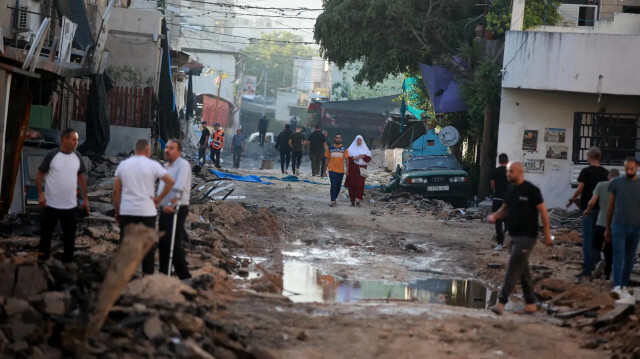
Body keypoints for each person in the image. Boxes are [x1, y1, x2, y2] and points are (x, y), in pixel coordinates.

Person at [487, 162, 552, 315]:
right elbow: (504, 209)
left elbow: (543, 212)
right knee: (523, 269)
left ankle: (501, 303)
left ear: (520, 172)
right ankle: (530, 304)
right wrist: (495, 216)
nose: (508, 174)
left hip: (527, 236)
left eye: (511, 171)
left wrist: (547, 234)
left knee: (513, 267)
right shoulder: (510, 189)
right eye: (508, 171)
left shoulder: (531, 190)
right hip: (514, 236)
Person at [113, 139, 175, 275]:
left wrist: (118, 211)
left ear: (136, 150)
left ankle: (123, 277)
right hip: (147, 212)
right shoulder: (153, 165)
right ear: (147, 150)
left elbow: (116, 191)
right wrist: (159, 198)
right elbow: (170, 181)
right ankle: (147, 277)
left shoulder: (123, 165)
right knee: (147, 248)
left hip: (127, 211)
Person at [37, 129, 89, 263]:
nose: (76, 142)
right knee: (46, 235)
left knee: (70, 237)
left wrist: (85, 199)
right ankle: (42, 260)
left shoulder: (77, 156)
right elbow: (40, 175)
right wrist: (40, 194)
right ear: (64, 140)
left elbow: (81, 178)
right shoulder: (52, 155)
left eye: (77, 140)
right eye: (73, 139)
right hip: (51, 204)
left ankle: (67, 263)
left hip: (70, 205)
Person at [567, 147, 608, 280]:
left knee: (587, 238)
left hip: (588, 210)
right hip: (601, 209)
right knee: (598, 238)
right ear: (599, 157)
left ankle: (587, 268)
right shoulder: (605, 172)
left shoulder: (585, 171)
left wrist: (572, 199)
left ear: (589, 157)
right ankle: (597, 263)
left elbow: (580, 188)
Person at [605, 157, 640, 304]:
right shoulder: (616, 183)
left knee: (630, 258)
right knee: (618, 256)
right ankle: (617, 286)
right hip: (618, 224)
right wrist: (607, 228)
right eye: (627, 169)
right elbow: (611, 206)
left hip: (635, 226)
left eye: (632, 169)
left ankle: (624, 286)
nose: (629, 171)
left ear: (637, 167)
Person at [157, 140, 192, 279]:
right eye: (166, 147)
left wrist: (172, 203)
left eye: (171, 148)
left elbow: (180, 185)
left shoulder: (183, 165)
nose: (167, 150)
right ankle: (163, 272)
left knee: (173, 242)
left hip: (177, 207)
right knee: (163, 240)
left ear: (179, 152)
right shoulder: (166, 166)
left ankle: (184, 275)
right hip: (165, 207)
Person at [584, 168, 620, 281]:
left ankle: (598, 263)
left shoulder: (601, 185)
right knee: (610, 249)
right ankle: (607, 274)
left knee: (595, 245)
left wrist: (587, 211)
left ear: (608, 177)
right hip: (615, 223)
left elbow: (592, 201)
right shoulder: (621, 188)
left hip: (601, 221)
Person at [344, 135, 372, 206]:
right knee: (351, 185)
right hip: (353, 169)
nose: (359, 142)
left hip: (361, 170)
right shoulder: (350, 149)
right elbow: (347, 158)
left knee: (360, 185)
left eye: (360, 140)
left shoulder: (365, 149)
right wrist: (353, 158)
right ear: (355, 141)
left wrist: (364, 156)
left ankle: (358, 200)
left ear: (362, 141)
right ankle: (352, 201)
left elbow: (369, 159)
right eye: (357, 140)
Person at [324, 133, 349, 207]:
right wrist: (324, 171)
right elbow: (327, 159)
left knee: (338, 186)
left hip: (340, 171)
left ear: (341, 139)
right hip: (332, 170)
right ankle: (332, 200)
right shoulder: (330, 148)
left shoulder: (344, 149)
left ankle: (335, 198)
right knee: (333, 184)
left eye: (339, 138)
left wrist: (347, 170)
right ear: (334, 139)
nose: (338, 139)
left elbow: (347, 159)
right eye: (337, 138)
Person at [490, 153, 509, 251]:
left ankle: (500, 244)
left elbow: (492, 185)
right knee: (508, 221)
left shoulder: (495, 171)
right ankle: (509, 242)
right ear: (507, 161)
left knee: (498, 222)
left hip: (497, 199)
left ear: (499, 161)